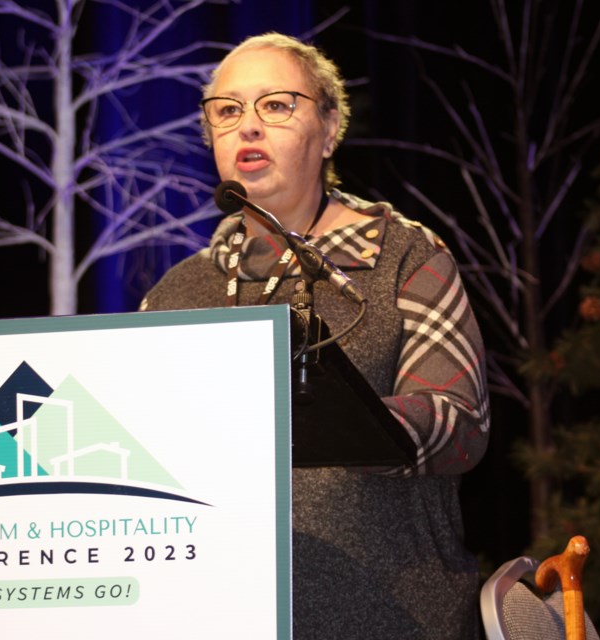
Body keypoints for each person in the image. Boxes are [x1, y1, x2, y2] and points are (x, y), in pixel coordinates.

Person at [141, 32, 490, 640]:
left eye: (276, 105)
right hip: (218, 616)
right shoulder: (175, 293)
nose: (248, 126)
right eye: (227, 111)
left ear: (330, 130)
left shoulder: (403, 257)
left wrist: (343, 420)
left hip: (387, 616)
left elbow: (458, 424)